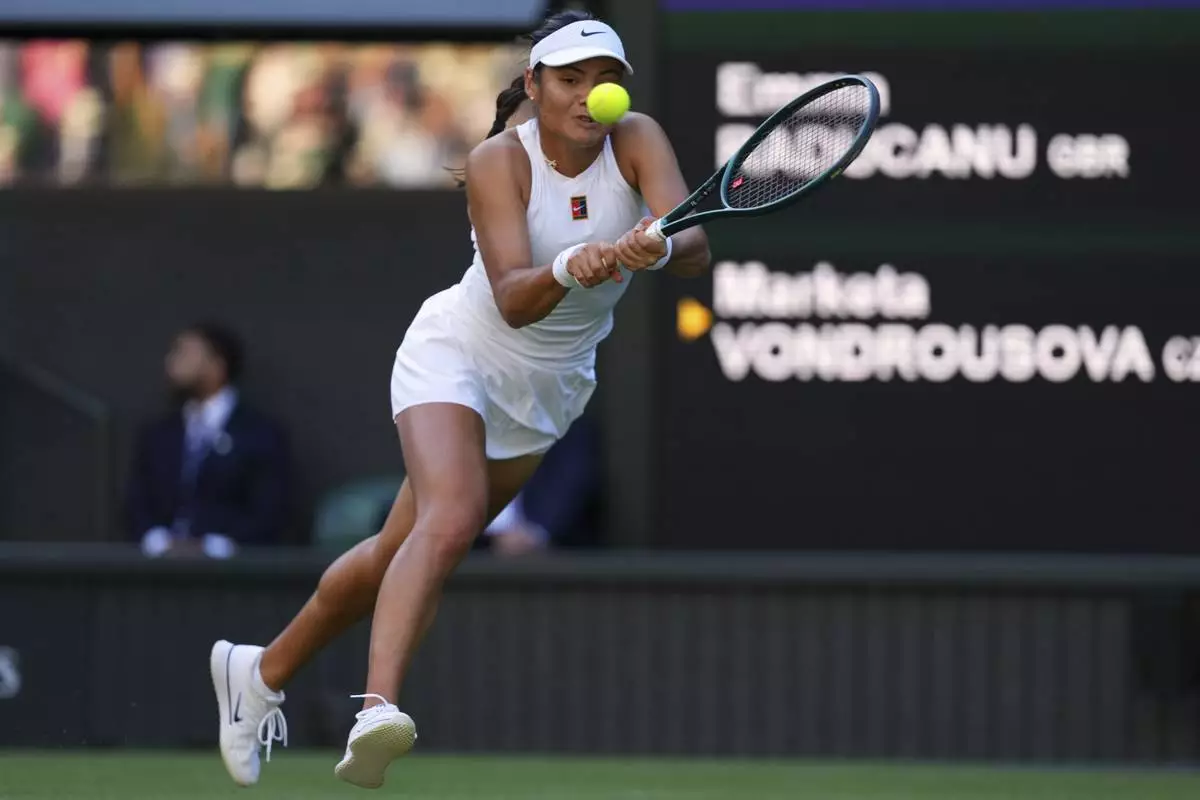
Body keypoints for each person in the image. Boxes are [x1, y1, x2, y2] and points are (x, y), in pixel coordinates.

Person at [209, 9, 710, 790]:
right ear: (534, 86)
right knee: (450, 519)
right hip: (459, 354)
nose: (590, 96)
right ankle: (377, 712)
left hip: (547, 389)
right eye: (570, 80)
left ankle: (257, 673)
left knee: (394, 554)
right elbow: (513, 299)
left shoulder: (638, 138)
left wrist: (661, 241)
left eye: (604, 80)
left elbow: (696, 249)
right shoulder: (496, 161)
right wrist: (577, 264)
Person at [127, 323, 290, 559]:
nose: (172, 362)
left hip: (233, 572)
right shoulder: (158, 434)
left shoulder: (260, 434)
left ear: (217, 365)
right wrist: (158, 542)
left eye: (185, 353)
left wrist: (215, 547)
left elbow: (271, 510)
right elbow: (136, 503)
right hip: (156, 569)